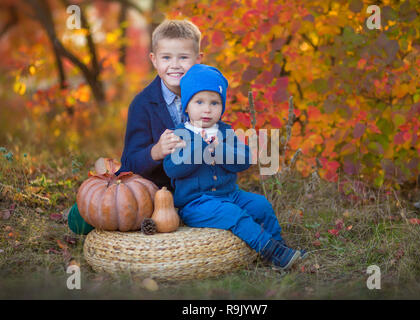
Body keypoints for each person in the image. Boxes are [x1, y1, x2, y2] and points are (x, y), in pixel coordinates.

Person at [163, 64, 308, 270]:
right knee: (232, 214)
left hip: (231, 194)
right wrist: (201, 147)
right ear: (186, 106)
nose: (207, 108)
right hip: (196, 203)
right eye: (199, 102)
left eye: (214, 103)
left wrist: (220, 149)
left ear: (221, 107)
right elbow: (173, 169)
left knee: (261, 205)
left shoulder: (225, 132)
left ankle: (280, 248)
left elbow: (245, 159)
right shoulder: (179, 135)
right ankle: (270, 251)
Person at [67, 19, 202, 235]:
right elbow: (130, 162)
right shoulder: (142, 105)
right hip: (154, 190)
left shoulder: (204, 98)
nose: (175, 65)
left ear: (198, 59)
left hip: (194, 188)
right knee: (83, 219)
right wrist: (156, 151)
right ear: (154, 60)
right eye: (166, 57)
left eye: (183, 58)